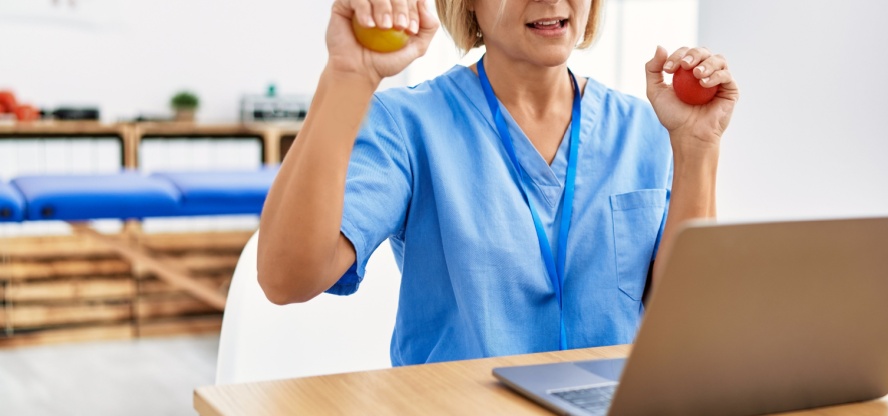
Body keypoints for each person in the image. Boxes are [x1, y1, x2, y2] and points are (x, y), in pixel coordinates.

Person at [257, 0, 738, 366]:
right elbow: (287, 278)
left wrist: (697, 149)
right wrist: (348, 78)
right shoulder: (408, 125)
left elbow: (689, 322)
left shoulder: (647, 126)